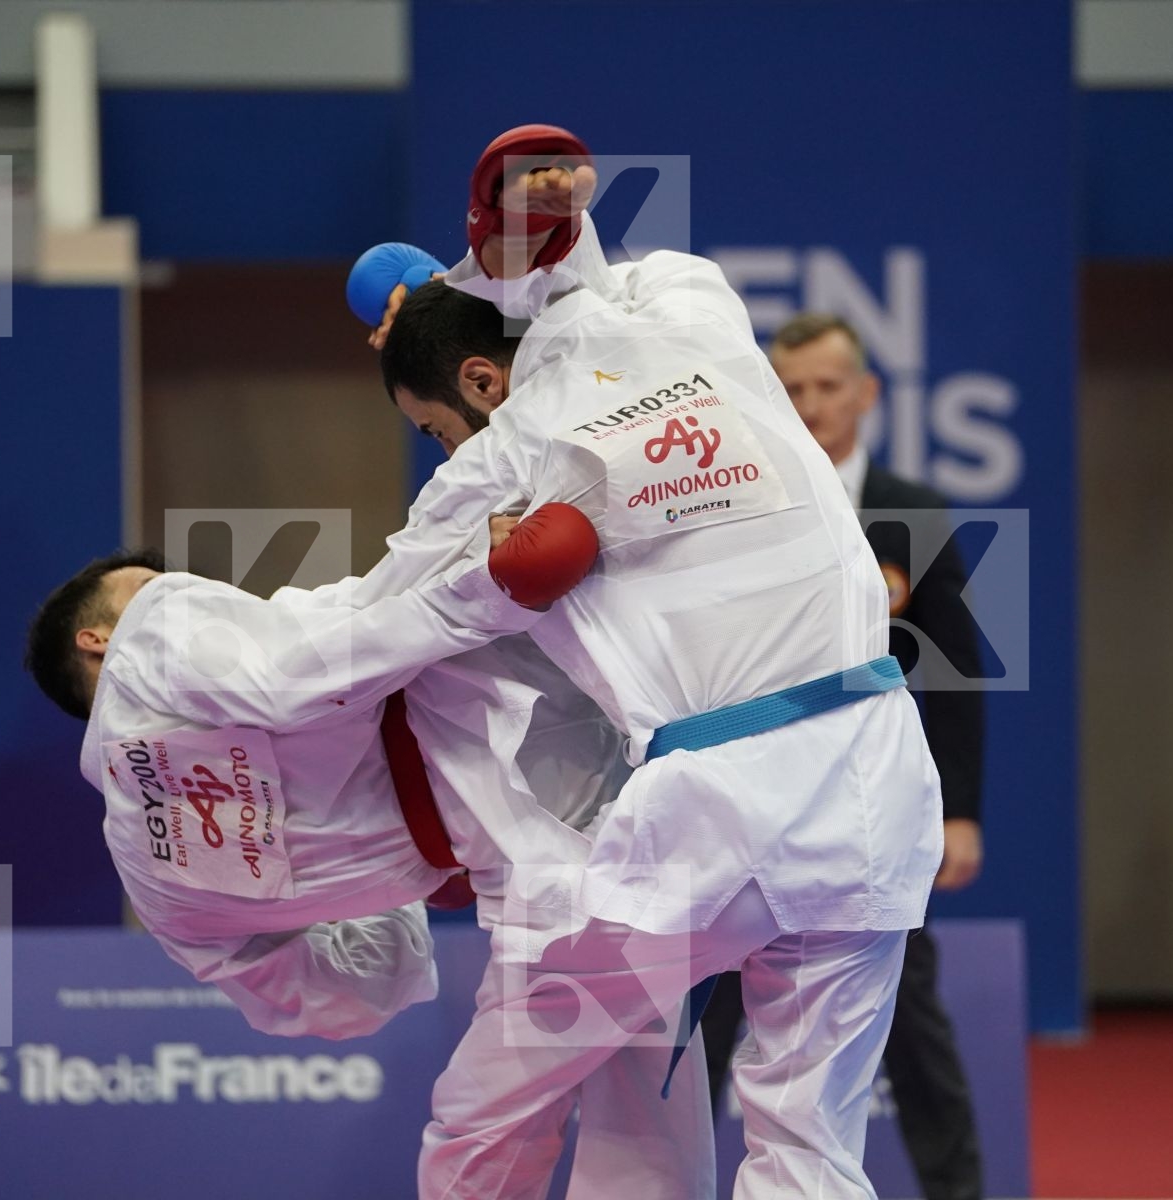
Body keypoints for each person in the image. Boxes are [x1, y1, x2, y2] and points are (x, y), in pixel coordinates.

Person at [343, 125, 944, 1199]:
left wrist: (173, 646)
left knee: (494, 1098)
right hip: (875, 788)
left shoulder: (503, 461)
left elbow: (352, 638)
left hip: (709, 831)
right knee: (810, 1151)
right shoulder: (693, 303)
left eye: (436, 427)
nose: (445, 449)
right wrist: (462, 284)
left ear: (480, 380)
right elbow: (582, 285)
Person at [26, 532, 715, 1195]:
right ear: (99, 640)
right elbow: (294, 671)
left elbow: (353, 997)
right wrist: (490, 586)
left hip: (546, 861)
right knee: (645, 1117)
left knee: (546, 1123)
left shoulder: (158, 889)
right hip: (569, 689)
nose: (212, 599)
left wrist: (401, 876)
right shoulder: (153, 631)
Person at [694, 313, 986, 1200]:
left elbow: (960, 676)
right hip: (753, 804)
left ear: (869, 394)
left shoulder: (914, 513)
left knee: (911, 1021)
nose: (811, 405)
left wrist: (960, 812)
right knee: (712, 1010)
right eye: (792, 390)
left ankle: (959, 1194)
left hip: (875, 810)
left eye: (828, 387)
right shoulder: (737, 503)